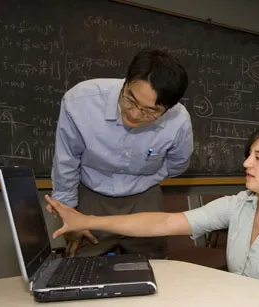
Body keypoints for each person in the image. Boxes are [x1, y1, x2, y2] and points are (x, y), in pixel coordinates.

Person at [46, 123, 259, 291]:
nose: (246, 164)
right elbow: (164, 223)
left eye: (258, 157)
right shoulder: (239, 206)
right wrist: (87, 220)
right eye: (248, 155)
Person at [51, 48, 193, 258]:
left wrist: (148, 176)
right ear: (126, 81)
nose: (135, 114)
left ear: (168, 109)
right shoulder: (80, 101)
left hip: (145, 197)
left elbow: (178, 163)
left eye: (150, 110)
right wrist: (70, 216)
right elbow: (66, 161)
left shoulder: (179, 121)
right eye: (130, 100)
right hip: (90, 193)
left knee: (155, 267)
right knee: (81, 266)